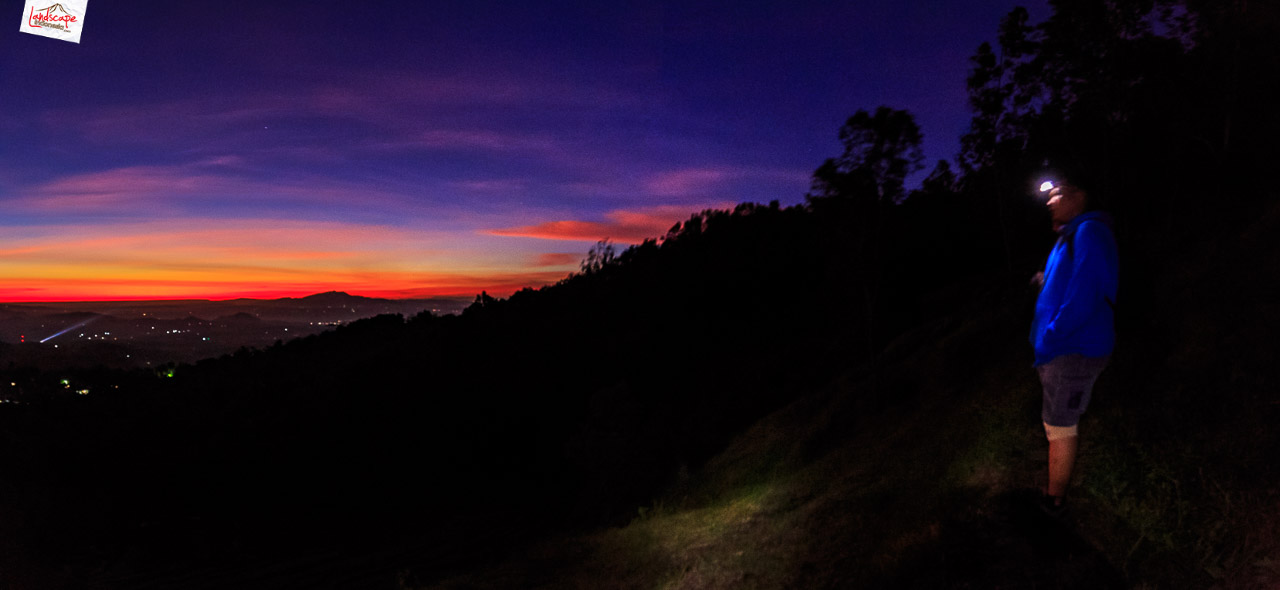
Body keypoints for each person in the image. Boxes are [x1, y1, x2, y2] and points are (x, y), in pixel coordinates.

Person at [1029, 180, 1119, 516]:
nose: (1051, 200)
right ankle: (1054, 494)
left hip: (1073, 348)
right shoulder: (1070, 237)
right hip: (1061, 349)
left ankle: (1054, 503)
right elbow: (1071, 281)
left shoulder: (1090, 231)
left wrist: (1054, 334)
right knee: (1056, 425)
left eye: (1058, 194)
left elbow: (1087, 291)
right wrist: (1044, 280)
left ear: (1080, 197)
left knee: (1061, 427)